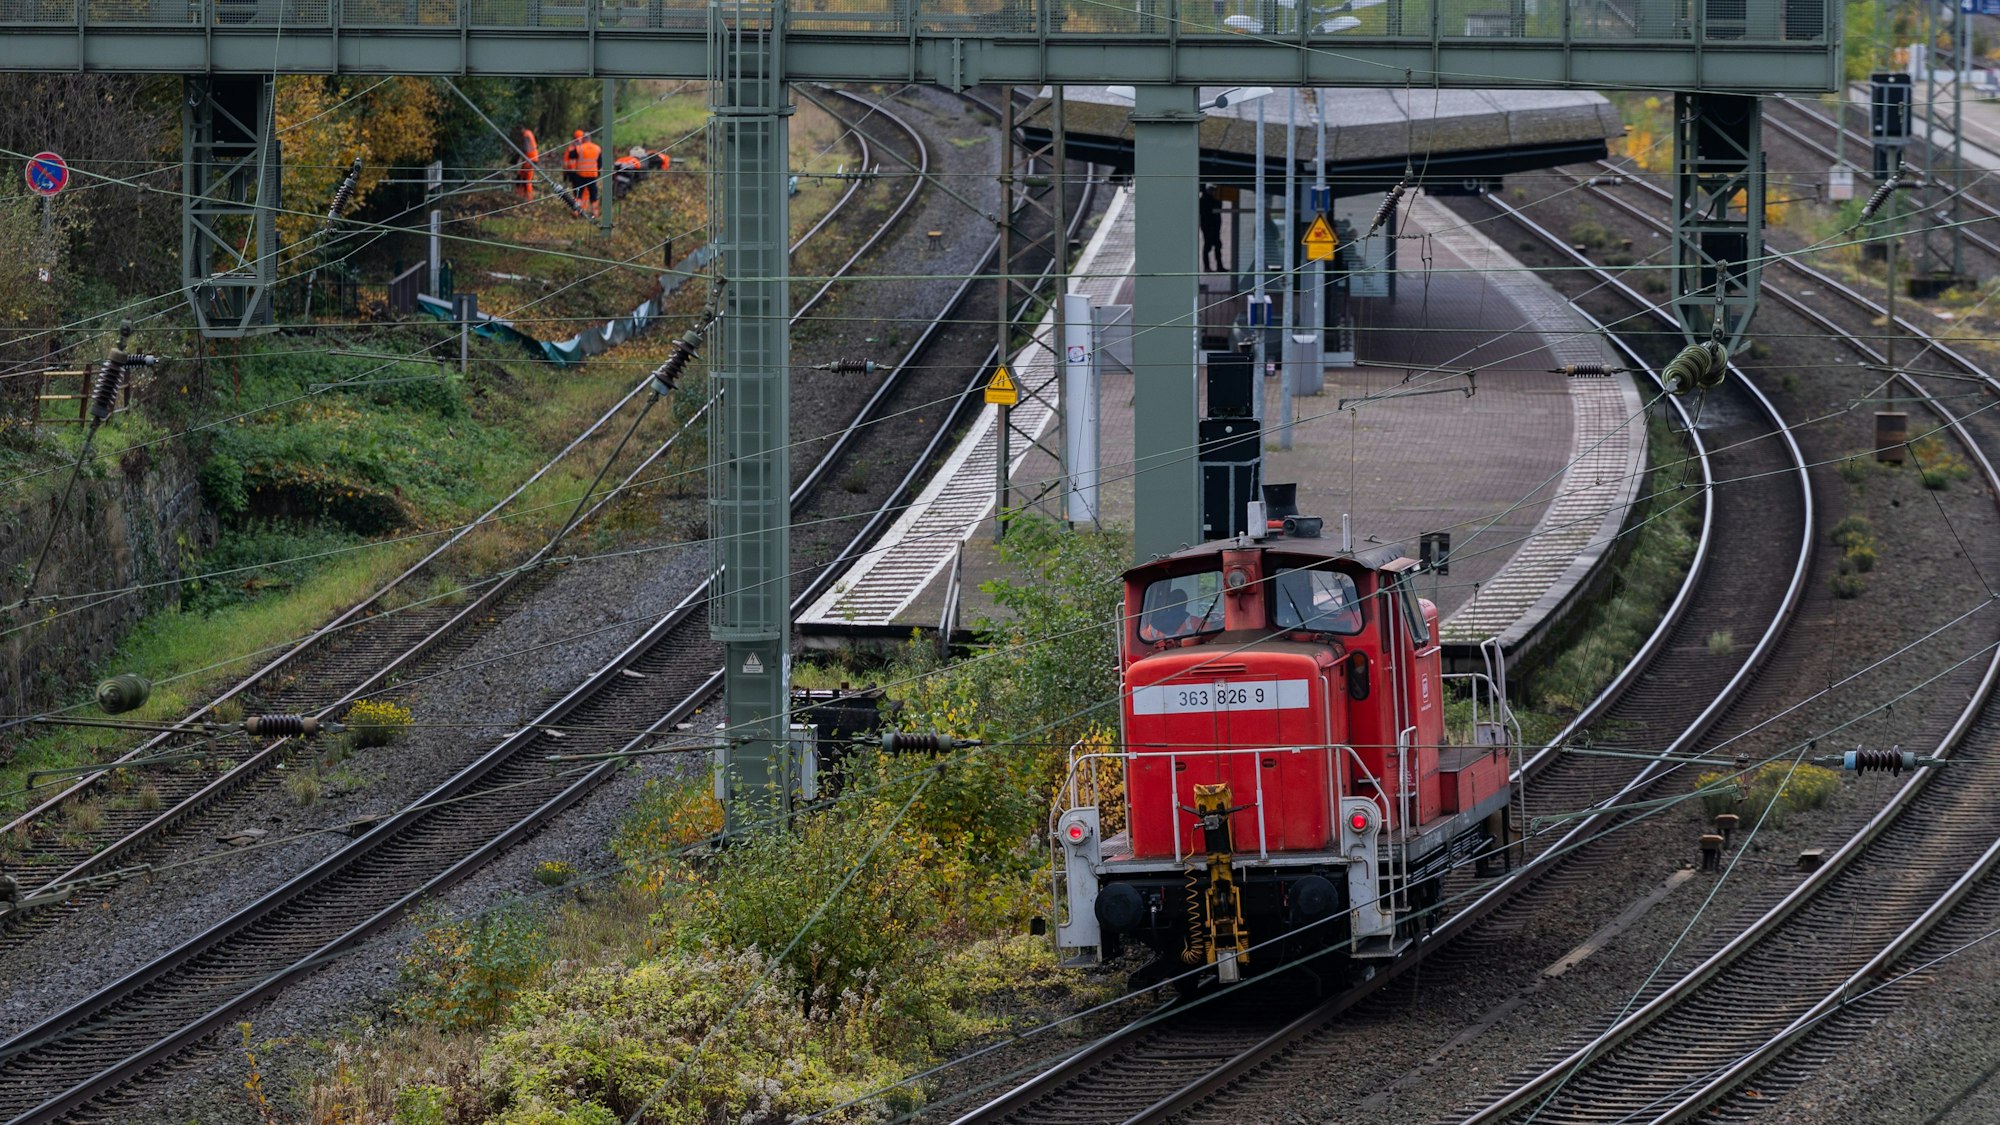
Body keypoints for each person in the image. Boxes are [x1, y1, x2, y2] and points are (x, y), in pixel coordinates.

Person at [574, 131, 603, 218]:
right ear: (590, 139)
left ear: (583, 139)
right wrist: (597, 171)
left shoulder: (580, 148)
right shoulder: (597, 148)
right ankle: (595, 213)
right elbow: (600, 163)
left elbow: (572, 156)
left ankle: (576, 211)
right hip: (592, 175)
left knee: (579, 194)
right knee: (593, 194)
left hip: (581, 174)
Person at [1199, 184, 1225, 273]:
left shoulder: (1214, 200)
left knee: (1217, 245)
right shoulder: (1204, 200)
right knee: (1208, 246)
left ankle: (1219, 267)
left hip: (1215, 226)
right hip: (1208, 226)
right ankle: (1207, 267)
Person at [516, 127, 538, 200]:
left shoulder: (525, 136)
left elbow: (526, 149)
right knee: (521, 175)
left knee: (527, 178)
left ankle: (528, 197)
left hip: (530, 159)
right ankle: (520, 194)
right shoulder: (529, 133)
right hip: (530, 158)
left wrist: (519, 157)